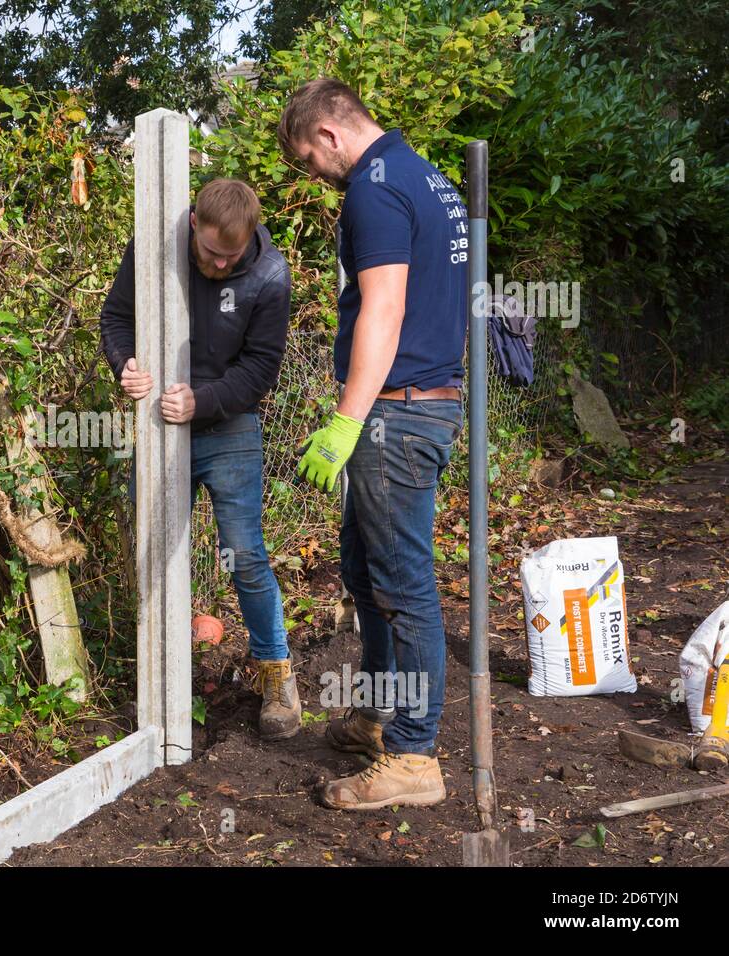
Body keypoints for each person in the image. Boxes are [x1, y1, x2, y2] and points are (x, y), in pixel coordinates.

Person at [279, 78, 469, 809]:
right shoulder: (428, 179)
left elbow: (384, 310)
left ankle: (416, 756)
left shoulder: (373, 190)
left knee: (402, 584)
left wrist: (349, 419)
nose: (314, 176)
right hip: (419, 404)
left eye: (307, 160)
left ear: (329, 135)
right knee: (364, 570)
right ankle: (379, 718)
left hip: (396, 414)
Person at [99, 177, 299, 739]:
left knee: (244, 552)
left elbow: (262, 369)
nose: (217, 265)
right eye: (210, 253)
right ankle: (160, 678)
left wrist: (202, 399)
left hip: (229, 426)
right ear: (193, 225)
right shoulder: (153, 247)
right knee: (154, 548)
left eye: (229, 257)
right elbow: (116, 318)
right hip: (161, 427)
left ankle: (276, 673)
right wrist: (126, 363)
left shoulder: (269, 275)